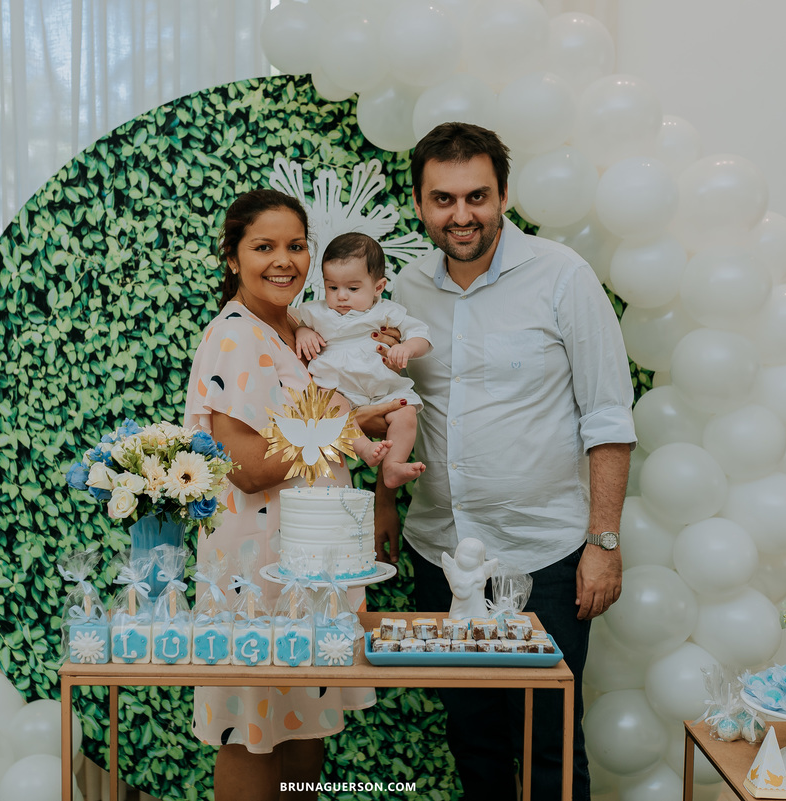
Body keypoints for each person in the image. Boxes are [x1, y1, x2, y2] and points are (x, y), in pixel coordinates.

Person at [375, 122, 637, 800]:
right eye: (443, 199)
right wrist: (382, 503)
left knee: (551, 742)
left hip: (543, 555)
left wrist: (604, 542)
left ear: (504, 195)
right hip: (440, 552)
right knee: (473, 739)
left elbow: (608, 417)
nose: (461, 215)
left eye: (477, 196)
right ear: (420, 202)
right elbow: (390, 403)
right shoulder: (406, 291)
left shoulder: (562, 276)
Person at [183, 189, 397, 801]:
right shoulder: (234, 336)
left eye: (296, 246)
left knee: (304, 718)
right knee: (252, 728)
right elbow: (248, 469)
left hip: (311, 561)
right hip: (257, 569)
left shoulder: (299, 326)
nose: (284, 260)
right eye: (264, 247)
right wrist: (343, 424)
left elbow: (319, 418)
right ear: (233, 257)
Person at [294, 232, 431, 488]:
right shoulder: (318, 312)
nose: (341, 296)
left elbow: (420, 333)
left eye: (353, 288)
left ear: (378, 287)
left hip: (384, 391)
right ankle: (364, 448)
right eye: (332, 287)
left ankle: (393, 465)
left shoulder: (386, 311)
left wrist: (408, 348)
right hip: (339, 389)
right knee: (328, 404)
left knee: (406, 414)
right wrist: (304, 333)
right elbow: (302, 324)